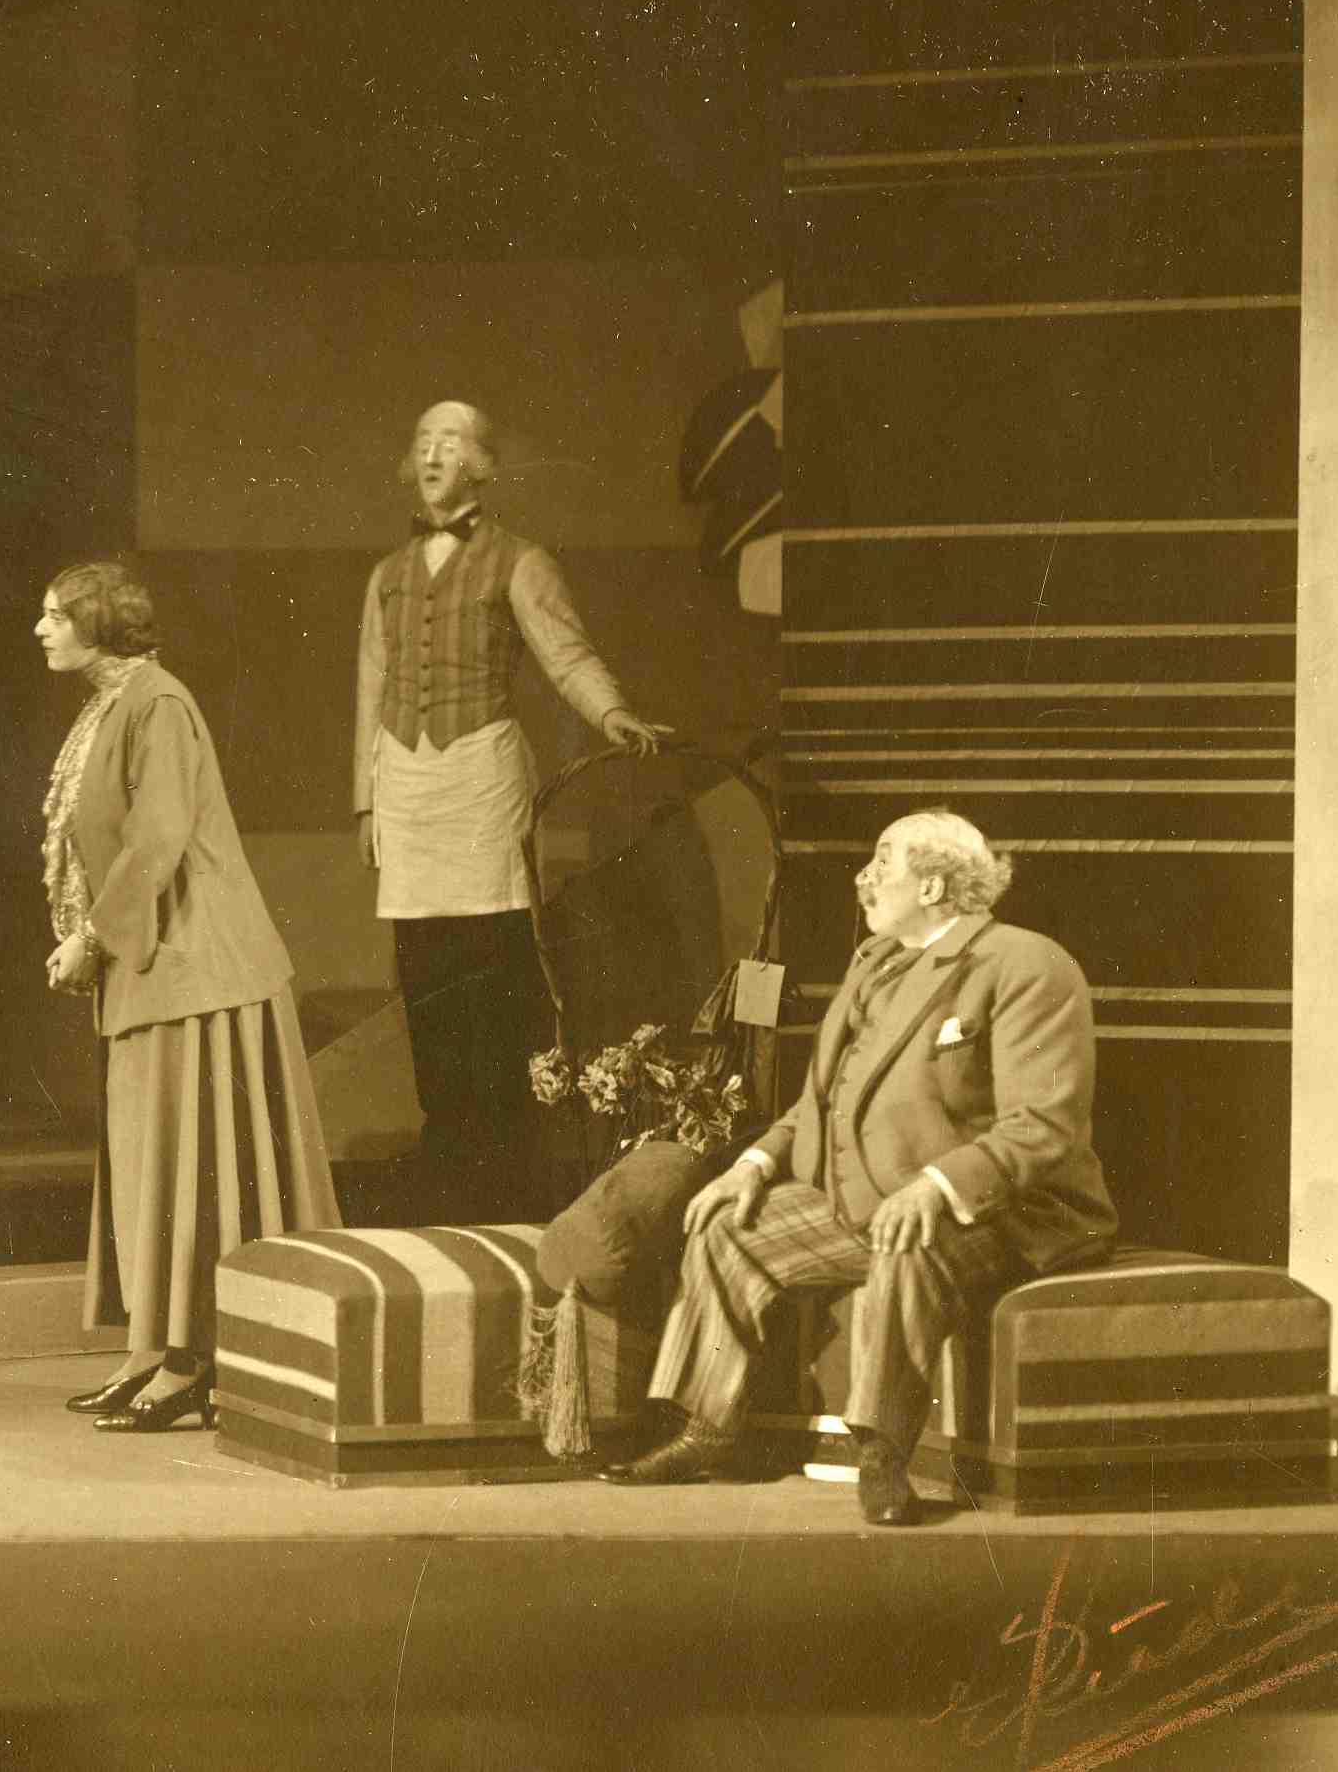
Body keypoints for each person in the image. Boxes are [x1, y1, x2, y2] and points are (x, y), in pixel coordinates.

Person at [608, 810, 1114, 1525]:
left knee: (905, 1241)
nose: (862, 878)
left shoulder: (1025, 963)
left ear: (933, 885)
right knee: (726, 1228)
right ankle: (704, 1429)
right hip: (870, 1198)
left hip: (1008, 1212)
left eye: (881, 862)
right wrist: (755, 1162)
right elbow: (823, 1099)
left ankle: (882, 1455)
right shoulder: (874, 960)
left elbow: (1043, 1124)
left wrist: (935, 1186)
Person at [36, 560, 339, 1433]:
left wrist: (92, 937)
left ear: (98, 623)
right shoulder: (111, 705)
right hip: (157, 968)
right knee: (151, 1163)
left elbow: (160, 834)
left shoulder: (157, 703)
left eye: (55, 615)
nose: (41, 629)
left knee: (186, 1164)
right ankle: (152, 1349)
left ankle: (193, 1359)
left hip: (198, 973)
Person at [357, 399, 673, 1223]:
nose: (432, 455)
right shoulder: (385, 575)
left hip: (480, 777)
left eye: (450, 442)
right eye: (422, 442)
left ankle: (499, 1161)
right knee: (423, 970)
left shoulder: (521, 561)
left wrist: (611, 713)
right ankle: (446, 1152)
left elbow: (565, 652)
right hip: (406, 785)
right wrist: (365, 803)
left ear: (482, 465)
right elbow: (371, 686)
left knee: (492, 964)